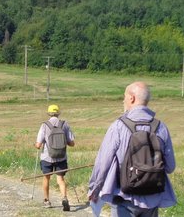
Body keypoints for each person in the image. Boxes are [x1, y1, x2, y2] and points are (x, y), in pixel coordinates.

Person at [88, 82, 176, 216]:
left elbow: (102, 163)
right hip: (152, 198)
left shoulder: (118, 126)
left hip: (123, 197)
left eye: (124, 96)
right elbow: (170, 167)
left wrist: (94, 189)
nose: (123, 100)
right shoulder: (161, 127)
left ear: (132, 98)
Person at [34, 104, 75, 211]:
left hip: (47, 157)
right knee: (60, 179)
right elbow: (72, 143)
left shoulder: (44, 125)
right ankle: (64, 198)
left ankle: (47, 201)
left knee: (46, 178)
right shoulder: (64, 124)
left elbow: (38, 145)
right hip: (61, 157)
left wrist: (36, 145)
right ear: (58, 113)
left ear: (49, 113)